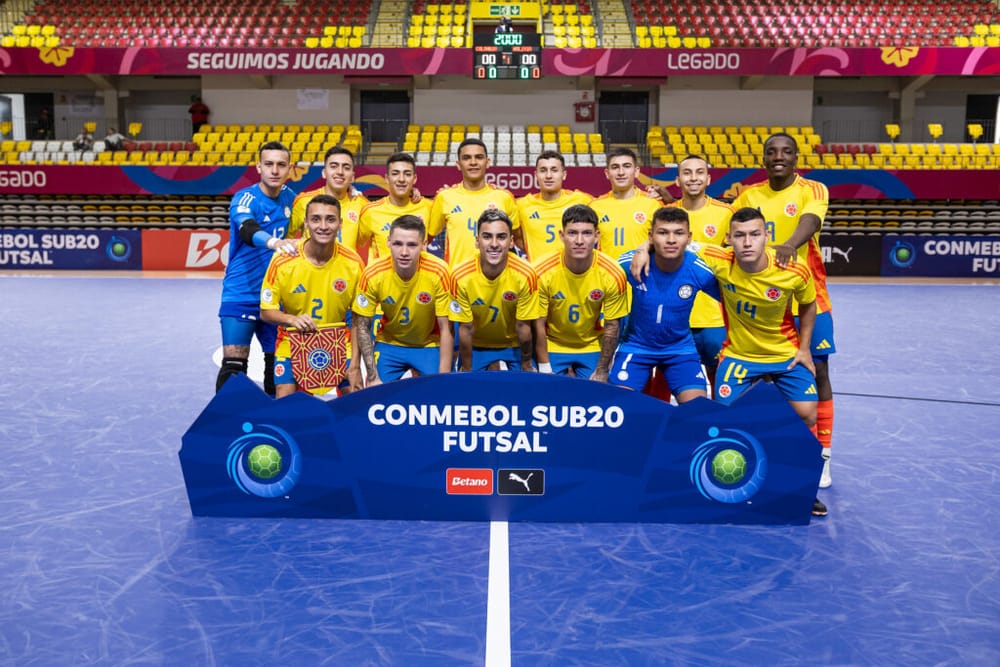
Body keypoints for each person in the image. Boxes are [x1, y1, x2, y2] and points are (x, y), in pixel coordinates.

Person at [701, 207, 827, 516]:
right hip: (738, 356)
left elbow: (809, 304)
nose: (747, 242)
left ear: (766, 237)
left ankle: (801, 481)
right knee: (729, 422)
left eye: (755, 235)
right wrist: (642, 248)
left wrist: (805, 349)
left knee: (808, 415)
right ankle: (739, 483)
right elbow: (674, 244)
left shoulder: (792, 271)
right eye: (740, 236)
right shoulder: (717, 259)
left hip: (784, 354)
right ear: (728, 238)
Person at [732, 132, 835, 489]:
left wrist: (789, 245)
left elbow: (811, 221)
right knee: (761, 378)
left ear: (796, 157)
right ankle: (765, 451)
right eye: (772, 152)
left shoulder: (813, 189)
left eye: (786, 151)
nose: (779, 156)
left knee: (818, 370)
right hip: (762, 305)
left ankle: (821, 454)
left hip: (809, 299)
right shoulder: (748, 195)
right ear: (763, 158)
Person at [630, 154, 732, 393]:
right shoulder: (664, 212)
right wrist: (643, 248)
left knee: (720, 384)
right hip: (669, 316)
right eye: (687, 173)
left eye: (699, 172)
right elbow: (650, 242)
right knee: (661, 387)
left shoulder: (726, 213)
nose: (693, 178)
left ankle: (717, 429)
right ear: (677, 179)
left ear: (708, 178)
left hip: (711, 317)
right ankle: (661, 430)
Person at [609, 207, 719, 403]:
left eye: (678, 233)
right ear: (651, 236)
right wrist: (641, 249)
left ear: (689, 237)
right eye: (663, 232)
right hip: (636, 347)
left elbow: (732, 298)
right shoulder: (631, 263)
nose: (671, 240)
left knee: (698, 412)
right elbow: (599, 278)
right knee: (619, 408)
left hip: (680, 350)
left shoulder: (698, 270)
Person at [260, 194, 365, 397]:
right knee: (286, 405)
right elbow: (266, 311)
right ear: (306, 223)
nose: (323, 226)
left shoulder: (353, 263)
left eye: (330, 219)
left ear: (340, 224)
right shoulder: (283, 260)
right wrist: (291, 319)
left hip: (339, 343)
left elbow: (359, 318)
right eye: (316, 219)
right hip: (293, 341)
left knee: (355, 400)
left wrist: (355, 365)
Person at [216, 140, 298, 396]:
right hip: (241, 292)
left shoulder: (292, 200)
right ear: (258, 167)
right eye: (269, 164)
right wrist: (274, 242)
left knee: (277, 370)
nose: (275, 170)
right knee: (234, 365)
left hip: (275, 298)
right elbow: (247, 228)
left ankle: (273, 427)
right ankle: (227, 422)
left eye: (281, 165)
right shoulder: (245, 198)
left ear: (289, 169)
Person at [352, 215, 454, 385]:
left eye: (412, 245)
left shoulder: (439, 272)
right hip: (389, 344)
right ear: (388, 242)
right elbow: (362, 327)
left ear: (424, 245)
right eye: (398, 244)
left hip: (428, 345)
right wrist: (372, 377)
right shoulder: (373, 273)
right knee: (374, 395)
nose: (404, 252)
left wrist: (443, 379)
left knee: (439, 397)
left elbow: (447, 329)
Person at [533, 204, 629, 382]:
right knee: (545, 393)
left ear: (596, 236)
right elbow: (538, 324)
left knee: (599, 395)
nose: (579, 240)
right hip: (552, 344)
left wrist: (601, 371)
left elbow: (612, 326)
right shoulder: (541, 271)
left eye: (586, 233)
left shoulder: (613, 273)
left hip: (592, 344)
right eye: (572, 233)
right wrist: (544, 367)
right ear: (562, 236)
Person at [450, 209, 541, 372]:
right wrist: (467, 369)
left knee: (525, 392)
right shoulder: (460, 275)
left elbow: (523, 326)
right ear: (477, 241)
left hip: (514, 345)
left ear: (511, 241)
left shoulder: (526, 274)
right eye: (487, 237)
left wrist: (526, 363)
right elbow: (466, 328)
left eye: (501, 237)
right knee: (469, 394)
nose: (494, 244)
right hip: (477, 346)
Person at [427, 137, 522, 267]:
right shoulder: (444, 197)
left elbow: (517, 240)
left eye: (479, 157)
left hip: (496, 281)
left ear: (487, 162)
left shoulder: (504, 197)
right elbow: (426, 240)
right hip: (457, 281)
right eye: (466, 158)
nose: (473, 162)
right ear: (458, 164)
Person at [515, 150, 593, 262]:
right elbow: (516, 237)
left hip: (571, 275)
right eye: (543, 170)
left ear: (564, 174)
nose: (548, 176)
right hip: (538, 275)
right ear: (536, 175)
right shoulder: (521, 205)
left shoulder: (582, 200)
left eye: (554, 170)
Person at [289, 146, 368, 254]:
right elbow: (286, 237)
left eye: (346, 167)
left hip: (346, 269)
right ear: (324, 173)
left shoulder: (363, 205)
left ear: (353, 176)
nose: (340, 172)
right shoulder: (304, 201)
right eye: (334, 166)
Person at [590, 146, 662, 261]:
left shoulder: (653, 204)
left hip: (641, 275)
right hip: (607, 275)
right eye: (615, 167)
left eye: (627, 166)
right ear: (607, 173)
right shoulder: (595, 206)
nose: (621, 172)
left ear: (636, 171)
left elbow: (662, 240)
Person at [356, 152, 432, 260]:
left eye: (407, 174)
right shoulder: (370, 211)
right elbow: (355, 243)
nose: (401, 179)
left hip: (419, 276)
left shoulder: (428, 207)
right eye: (395, 173)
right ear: (387, 178)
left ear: (414, 179)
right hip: (381, 276)